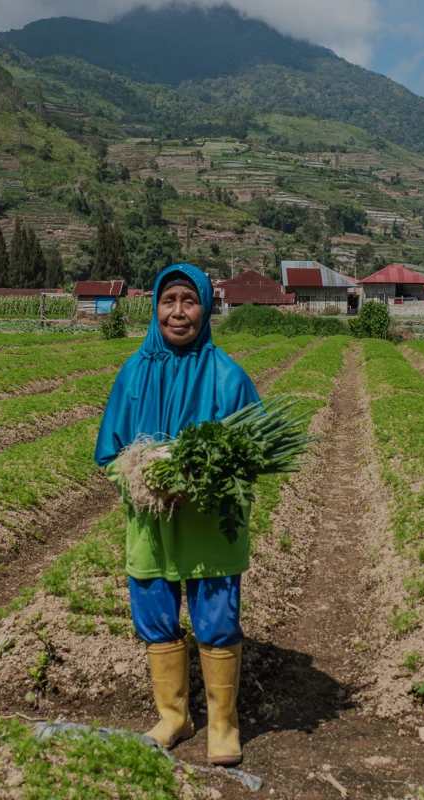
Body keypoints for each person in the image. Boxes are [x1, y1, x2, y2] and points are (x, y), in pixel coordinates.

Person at [94, 263, 259, 766]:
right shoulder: (134, 373)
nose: (179, 312)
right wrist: (143, 478)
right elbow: (110, 453)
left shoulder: (228, 376)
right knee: (154, 611)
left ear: (206, 308)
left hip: (210, 522)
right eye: (169, 301)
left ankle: (223, 723)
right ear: (155, 308)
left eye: (190, 301)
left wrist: (201, 481)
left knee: (217, 616)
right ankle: (174, 717)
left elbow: (252, 455)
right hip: (152, 521)